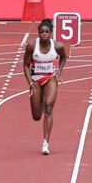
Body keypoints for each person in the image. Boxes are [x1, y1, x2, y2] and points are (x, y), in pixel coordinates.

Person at [23, 19, 67, 155]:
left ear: (51, 33)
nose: (44, 34)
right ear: (38, 33)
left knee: (48, 107)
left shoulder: (58, 46)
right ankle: (39, 98)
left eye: (47, 32)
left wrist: (59, 70)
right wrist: (29, 81)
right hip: (35, 79)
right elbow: (25, 64)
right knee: (36, 116)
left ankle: (45, 144)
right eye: (41, 32)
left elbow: (64, 57)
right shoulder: (31, 46)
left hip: (50, 78)